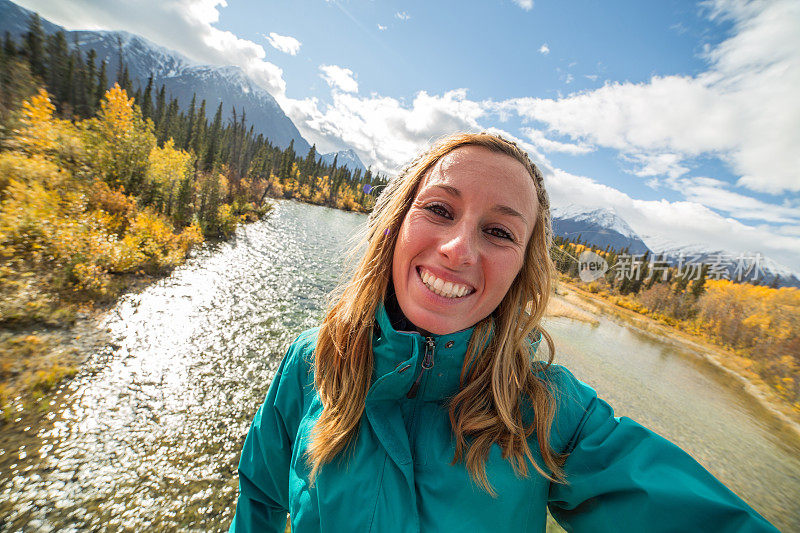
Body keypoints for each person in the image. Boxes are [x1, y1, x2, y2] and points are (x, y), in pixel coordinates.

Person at [229, 133, 779, 532]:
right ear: (395, 226)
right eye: (440, 209)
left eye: (498, 231)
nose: (459, 250)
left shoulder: (549, 414)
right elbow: (259, 495)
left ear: (521, 269)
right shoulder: (312, 361)